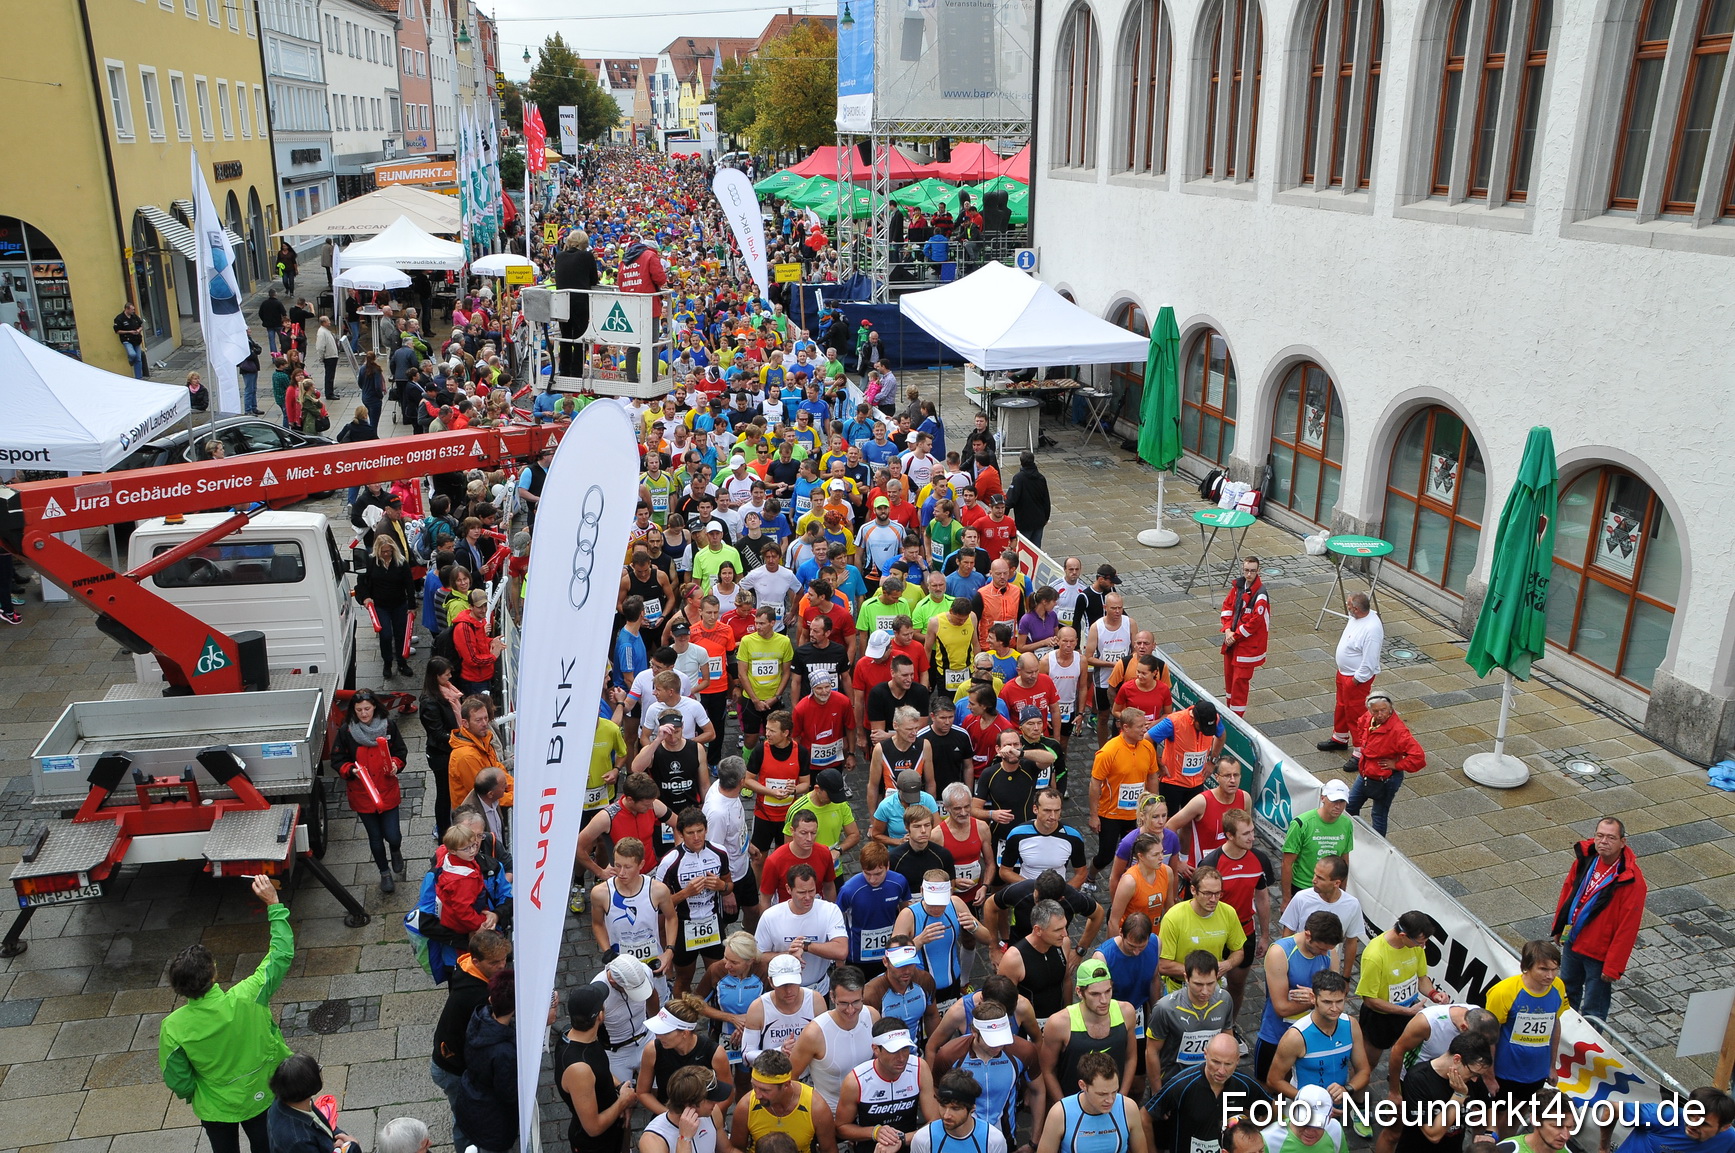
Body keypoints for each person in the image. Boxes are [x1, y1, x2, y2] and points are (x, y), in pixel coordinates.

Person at [158, 874, 291, 1153]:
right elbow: (281, 954)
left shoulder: (173, 1027)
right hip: (261, 1093)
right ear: (213, 973)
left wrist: (196, 1093)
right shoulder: (250, 995)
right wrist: (273, 904)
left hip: (214, 1106)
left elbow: (178, 1079)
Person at [1551, 816, 1646, 1027]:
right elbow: (1568, 893)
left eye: (1611, 837)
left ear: (1622, 842)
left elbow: (1628, 927)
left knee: (1594, 1009)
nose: (1604, 841)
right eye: (1600, 835)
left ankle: (1589, 1046)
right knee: (1566, 997)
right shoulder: (1585, 860)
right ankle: (1562, 1036)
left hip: (1599, 955)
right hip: (1573, 941)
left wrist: (1613, 967)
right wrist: (1559, 927)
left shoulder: (1631, 880)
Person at [432, 929, 512, 1153]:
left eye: (504, 959)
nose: (502, 966)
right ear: (476, 961)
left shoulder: (467, 969)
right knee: (466, 1120)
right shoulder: (476, 996)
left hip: (450, 1057)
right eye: (494, 962)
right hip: (451, 1068)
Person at [1356, 911, 1448, 1093]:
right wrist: (1406, 1011)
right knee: (1368, 1064)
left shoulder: (1415, 947)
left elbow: (1422, 978)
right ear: (1403, 935)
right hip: (1380, 1018)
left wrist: (1433, 994)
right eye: (1419, 942)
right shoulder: (1375, 955)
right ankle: (1355, 1098)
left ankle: (1398, 1087)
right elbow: (1370, 1000)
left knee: (1406, 1057)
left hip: (1409, 1012)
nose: (1423, 946)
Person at [1199, 808, 1275, 1019]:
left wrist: (1265, 935)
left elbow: (1262, 898)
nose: (1252, 837)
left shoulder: (1260, 859)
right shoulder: (1211, 864)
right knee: (1205, 984)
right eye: (1245, 833)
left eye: (1252, 831)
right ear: (1229, 835)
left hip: (1244, 931)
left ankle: (1230, 1024)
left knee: (1237, 985)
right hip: (1213, 932)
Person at [330, 688, 408, 891]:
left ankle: (396, 850)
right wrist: (351, 770)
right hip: (363, 794)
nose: (363, 714)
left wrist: (396, 764)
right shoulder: (346, 732)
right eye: (359, 710)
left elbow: (400, 751)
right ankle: (384, 873)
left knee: (393, 835)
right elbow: (338, 759)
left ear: (374, 707)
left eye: (367, 709)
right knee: (375, 838)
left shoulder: (388, 726)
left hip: (386, 790)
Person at [1484, 941, 1568, 1124]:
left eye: (1555, 969)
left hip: (1536, 1072)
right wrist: (1488, 1076)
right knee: (1495, 1118)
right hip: (1504, 1072)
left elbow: (1555, 1023)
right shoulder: (1503, 992)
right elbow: (1488, 1037)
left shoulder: (1558, 987)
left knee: (1517, 1116)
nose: (1550, 975)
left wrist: (1551, 1066)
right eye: (1543, 969)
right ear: (1526, 967)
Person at [1256, 912, 1345, 1083]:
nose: (1324, 953)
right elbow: (1281, 1008)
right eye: (1321, 948)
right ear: (1308, 935)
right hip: (1277, 1032)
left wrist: (1315, 999)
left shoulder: (1329, 952)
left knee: (1301, 1084)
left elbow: (1337, 995)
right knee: (1267, 1085)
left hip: (1313, 1034)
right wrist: (1316, 1001)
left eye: (1327, 949)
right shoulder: (1280, 953)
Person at [1147, 1033, 1271, 1153]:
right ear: (1205, 1054)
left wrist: (1252, 1138)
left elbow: (1270, 1107)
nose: (1221, 1071)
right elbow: (1145, 1117)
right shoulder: (1182, 1085)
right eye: (1216, 1062)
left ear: (1237, 1060)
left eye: (1228, 1064)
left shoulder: (1244, 1084)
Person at [1265, 971, 1369, 1111]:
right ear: (1313, 998)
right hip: (1304, 1110)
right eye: (1327, 1002)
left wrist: (1347, 1089)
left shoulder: (1351, 1025)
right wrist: (1313, 1104)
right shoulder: (1296, 1037)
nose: (1334, 1008)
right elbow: (1273, 1081)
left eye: (1339, 1001)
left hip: (1337, 1109)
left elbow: (1363, 1070)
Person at [1040, 956, 1138, 1103]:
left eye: (1108, 991)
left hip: (1113, 1101)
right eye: (1095, 994)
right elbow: (1048, 1070)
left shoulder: (1126, 1012)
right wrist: (1066, 1108)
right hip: (1074, 1103)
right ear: (1079, 992)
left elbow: (1130, 1058)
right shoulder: (1059, 1023)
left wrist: (1121, 1099)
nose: (1104, 1000)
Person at [835, 1018, 940, 1153]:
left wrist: (902, 1139)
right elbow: (841, 1128)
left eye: (905, 1049)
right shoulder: (856, 1080)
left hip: (909, 1144)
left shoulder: (919, 1068)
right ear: (876, 1049)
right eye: (893, 1051)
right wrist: (875, 1132)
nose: (901, 1058)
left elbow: (935, 1121)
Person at [557, 983, 636, 1153]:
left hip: (612, 1132)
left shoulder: (576, 1035)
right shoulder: (579, 1069)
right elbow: (593, 1128)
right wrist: (623, 1102)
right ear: (600, 1015)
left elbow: (600, 1071)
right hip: (595, 1146)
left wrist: (619, 1087)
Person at [1087, 709, 1161, 890]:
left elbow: (1152, 776)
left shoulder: (1147, 747)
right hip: (1111, 814)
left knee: (1135, 854)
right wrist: (1094, 815)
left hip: (1136, 815)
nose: (1145, 730)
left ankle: (1129, 886)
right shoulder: (1108, 751)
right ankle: (1090, 877)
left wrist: (1155, 807)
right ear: (1125, 728)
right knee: (1105, 856)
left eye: (1145, 725)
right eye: (1140, 727)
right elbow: (1095, 783)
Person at [788, 966, 880, 1104]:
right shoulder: (814, 1034)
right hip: (829, 1110)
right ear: (832, 996)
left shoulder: (872, 1016)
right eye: (843, 1003)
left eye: (856, 1002)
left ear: (863, 995)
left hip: (868, 1104)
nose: (850, 1010)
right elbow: (791, 1077)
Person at [1392, 1032, 1497, 1153]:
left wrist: (1491, 1133)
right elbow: (1433, 1134)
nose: (1475, 1079)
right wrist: (1459, 1095)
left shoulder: (1472, 1076)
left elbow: (1490, 1106)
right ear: (1457, 1059)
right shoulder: (1418, 1079)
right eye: (1473, 1073)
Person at [593, 836, 680, 979]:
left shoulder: (658, 890)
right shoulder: (600, 893)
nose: (621, 872)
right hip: (620, 964)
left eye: (628, 867)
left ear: (641, 865)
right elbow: (597, 923)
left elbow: (671, 918)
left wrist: (669, 951)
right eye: (617, 865)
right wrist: (607, 951)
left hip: (653, 962)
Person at [1146, 950, 1234, 1090]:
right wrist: (1157, 1092)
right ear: (1186, 978)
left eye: (1210, 983)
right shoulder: (1166, 1008)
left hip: (1210, 1081)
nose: (1205, 991)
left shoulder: (1225, 1000)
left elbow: (1228, 1038)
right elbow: (1152, 1051)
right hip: (1174, 1082)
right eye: (1198, 984)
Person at [757, 864, 851, 995]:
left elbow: (841, 951)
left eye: (811, 891)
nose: (808, 897)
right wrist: (788, 955)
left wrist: (805, 946)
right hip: (784, 991)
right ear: (788, 889)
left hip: (819, 989)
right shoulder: (770, 916)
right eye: (801, 892)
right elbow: (758, 957)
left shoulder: (830, 910)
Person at [1343, 692, 1427, 836]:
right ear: (1370, 710)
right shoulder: (1368, 718)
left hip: (1386, 779)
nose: (1380, 714)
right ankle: (1351, 836)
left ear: (1390, 708)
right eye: (1375, 711)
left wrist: (1397, 765)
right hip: (1366, 773)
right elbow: (1361, 726)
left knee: (1378, 814)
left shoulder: (1398, 731)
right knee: (1350, 807)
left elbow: (1418, 757)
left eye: (1383, 710)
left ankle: (1377, 844)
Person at [637, 994, 736, 1112]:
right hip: (666, 1113)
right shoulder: (652, 1050)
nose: (658, 1036)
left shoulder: (714, 1053)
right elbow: (642, 1092)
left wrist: (703, 1117)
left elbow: (728, 1096)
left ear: (685, 1033)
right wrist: (670, 1116)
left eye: (665, 1032)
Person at [1034, 1051, 1148, 1153]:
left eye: (1114, 1092)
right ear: (1083, 1086)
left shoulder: (1128, 1108)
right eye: (1102, 1094)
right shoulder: (1060, 1113)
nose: (1110, 1100)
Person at [1156, 866, 1246, 994]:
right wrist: (1203, 973)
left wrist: (1228, 964)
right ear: (1193, 890)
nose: (1213, 899)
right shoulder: (1173, 917)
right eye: (1207, 893)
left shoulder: (1228, 913)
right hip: (1180, 990)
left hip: (1214, 989)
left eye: (1217, 893)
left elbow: (1238, 951)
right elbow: (1163, 965)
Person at [734, 1048, 842, 1153]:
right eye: (754, 1086)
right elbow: (736, 1148)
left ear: (786, 1085)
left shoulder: (816, 1107)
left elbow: (829, 1149)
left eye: (765, 1090)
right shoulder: (746, 1106)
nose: (757, 1096)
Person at [1317, 594, 1383, 758]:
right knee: (1341, 707)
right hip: (1344, 673)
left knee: (1356, 714)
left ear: (1356, 609)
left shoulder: (1372, 629)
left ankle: (1360, 751)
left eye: (1349, 606)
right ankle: (1339, 738)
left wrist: (1356, 680)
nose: (1347, 608)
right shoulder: (1356, 617)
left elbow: (1370, 660)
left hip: (1355, 678)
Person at [1278, 855, 1364, 974]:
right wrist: (1285, 964)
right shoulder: (1301, 898)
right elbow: (1288, 933)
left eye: (1320, 878)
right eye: (1315, 874)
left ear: (1336, 883)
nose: (1314, 880)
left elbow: (1351, 942)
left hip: (1329, 968)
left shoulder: (1352, 905)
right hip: (1299, 964)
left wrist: (1346, 976)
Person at [742, 954, 829, 1065]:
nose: (788, 991)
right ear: (770, 982)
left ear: (801, 977)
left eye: (792, 983)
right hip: (772, 1073)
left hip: (808, 1072)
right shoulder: (758, 1007)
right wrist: (779, 1052)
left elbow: (827, 1044)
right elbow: (746, 1056)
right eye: (782, 985)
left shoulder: (815, 1000)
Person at [997, 898, 1074, 1021]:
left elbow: (1066, 980)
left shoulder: (1064, 943)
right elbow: (1003, 1002)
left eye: (1064, 926)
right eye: (1058, 930)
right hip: (1029, 1024)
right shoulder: (1013, 958)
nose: (1064, 934)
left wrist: (1069, 1014)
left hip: (1059, 1020)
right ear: (1038, 930)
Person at [266, 1054, 360, 1153]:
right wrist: (352, 1147)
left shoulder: (285, 1100)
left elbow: (320, 1126)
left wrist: (338, 1138)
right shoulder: (298, 1140)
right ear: (309, 1085)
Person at [1280, 781, 1354, 906]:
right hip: (1302, 887)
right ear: (1322, 798)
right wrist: (1286, 899)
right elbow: (1287, 863)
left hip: (1330, 889)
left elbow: (1344, 861)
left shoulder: (1347, 824)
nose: (1338, 806)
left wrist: (1342, 893)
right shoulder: (1301, 824)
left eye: (1342, 802)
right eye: (1334, 801)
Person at [839, 842, 912, 964]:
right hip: (857, 957)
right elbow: (836, 920)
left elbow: (906, 912)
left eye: (878, 874)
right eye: (867, 873)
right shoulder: (849, 890)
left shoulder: (899, 882)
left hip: (889, 952)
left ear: (887, 866)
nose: (872, 879)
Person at [358, 535, 417, 680]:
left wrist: (412, 605)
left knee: (400, 635)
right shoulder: (371, 562)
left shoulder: (401, 562)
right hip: (380, 605)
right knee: (385, 635)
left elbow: (409, 584)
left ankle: (402, 663)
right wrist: (366, 597)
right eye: (383, 551)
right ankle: (387, 663)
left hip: (399, 604)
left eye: (389, 551)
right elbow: (362, 582)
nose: (386, 554)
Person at [640, 1064, 735, 1153]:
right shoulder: (653, 1140)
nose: (716, 1103)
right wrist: (684, 1138)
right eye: (710, 1100)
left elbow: (728, 1150)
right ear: (690, 1104)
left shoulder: (713, 1112)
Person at [1219, 557, 1269, 718]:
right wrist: (1228, 630)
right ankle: (1229, 712)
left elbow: (1254, 623)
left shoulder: (1260, 595)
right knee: (1229, 679)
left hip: (1247, 647)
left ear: (1258, 571)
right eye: (1246, 570)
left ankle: (1237, 718)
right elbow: (1227, 608)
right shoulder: (1238, 588)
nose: (1249, 574)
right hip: (1233, 642)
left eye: (1252, 571)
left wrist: (1234, 636)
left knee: (1239, 683)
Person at [867, 941, 942, 1046]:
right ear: (885, 962)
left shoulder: (924, 980)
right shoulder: (871, 993)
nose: (906, 971)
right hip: (885, 1054)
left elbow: (932, 1016)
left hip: (916, 1051)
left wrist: (934, 1049)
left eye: (910, 964)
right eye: (900, 965)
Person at [449, 695, 511, 811]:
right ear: (465, 723)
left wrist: (515, 788)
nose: (484, 723)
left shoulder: (483, 740)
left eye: (485, 718)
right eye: (478, 720)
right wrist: (516, 797)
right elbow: (484, 794)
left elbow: (497, 768)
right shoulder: (466, 756)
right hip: (474, 815)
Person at [1259, 1084, 1344, 1153]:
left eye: (1318, 1124)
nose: (1310, 1131)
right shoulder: (1268, 1139)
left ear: (1330, 1118)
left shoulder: (1336, 1130)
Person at [1004, 451, 1052, 547]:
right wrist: (1046, 517)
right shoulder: (1041, 478)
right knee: (1036, 549)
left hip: (1024, 521)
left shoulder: (1019, 478)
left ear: (1021, 462)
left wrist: (1003, 516)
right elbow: (1046, 500)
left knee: (1023, 548)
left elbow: (1011, 500)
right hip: (1039, 520)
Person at [115, 299, 148, 377]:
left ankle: (138, 377)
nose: (133, 311)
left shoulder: (134, 316)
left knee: (138, 359)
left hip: (136, 340)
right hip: (127, 340)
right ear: (127, 309)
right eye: (132, 309)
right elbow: (117, 331)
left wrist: (138, 330)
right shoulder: (119, 318)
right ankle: (131, 360)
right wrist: (129, 332)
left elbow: (141, 325)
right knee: (132, 354)